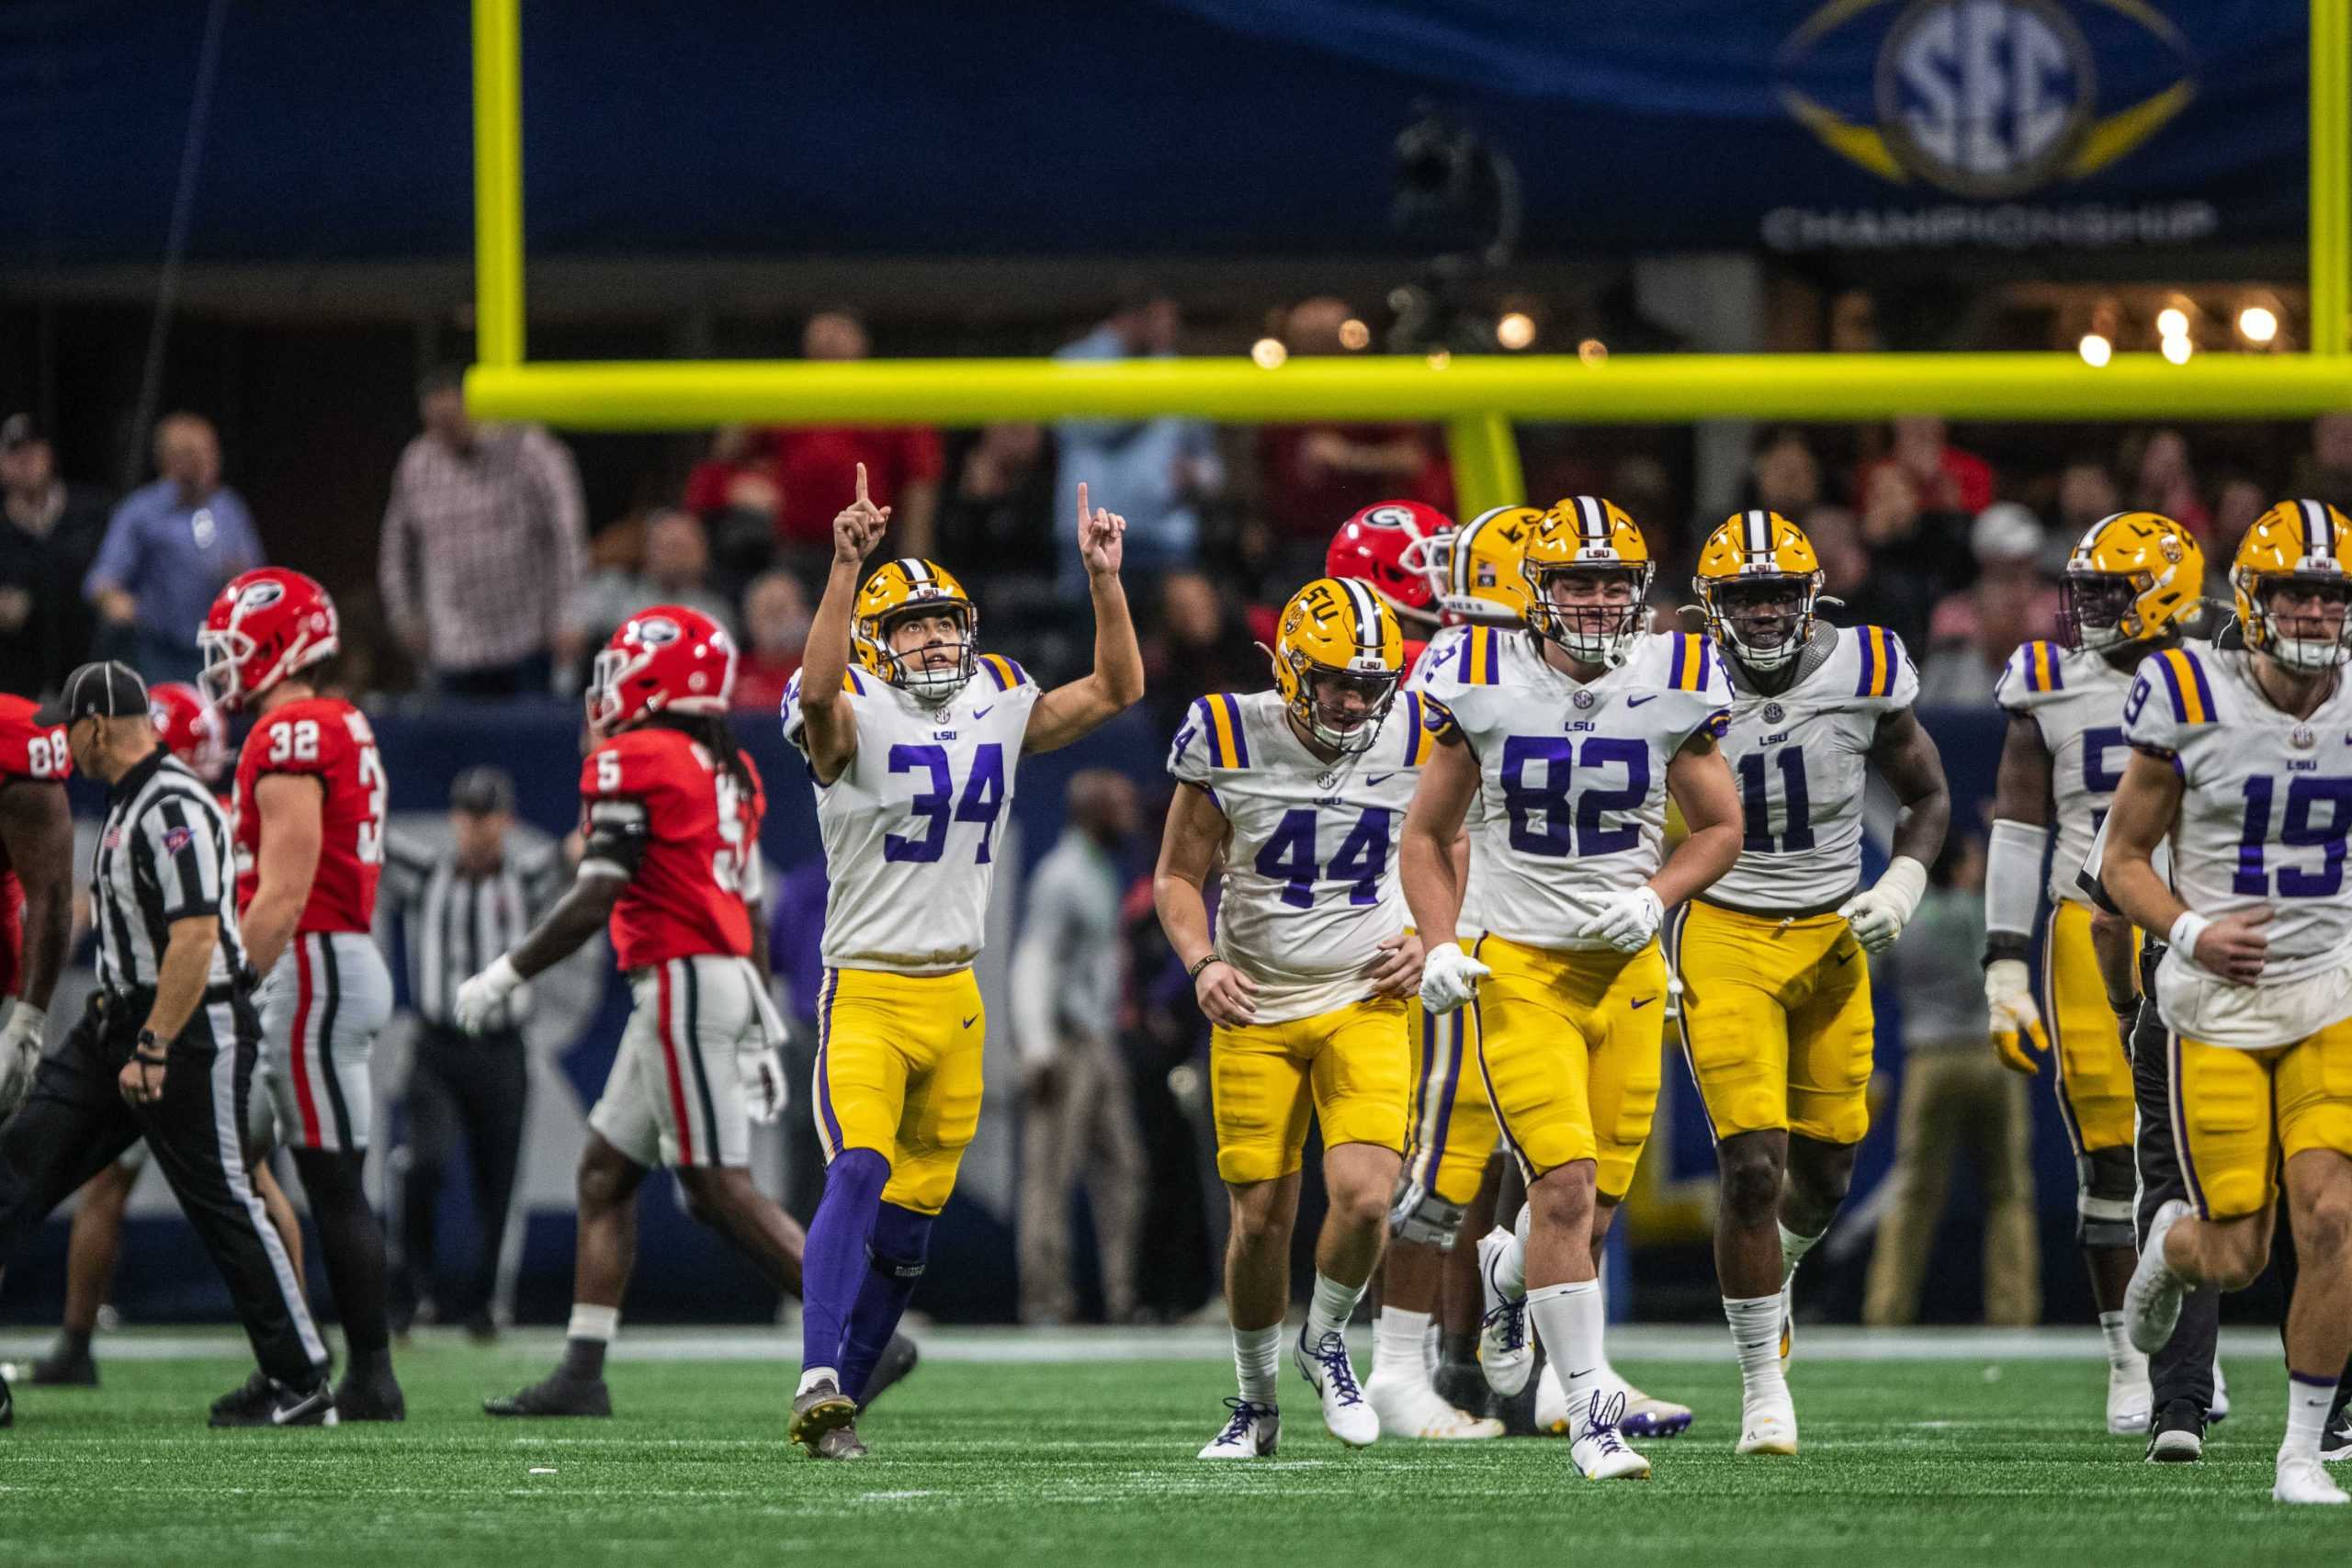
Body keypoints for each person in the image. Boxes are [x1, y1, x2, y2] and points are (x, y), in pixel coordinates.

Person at [781, 468, 1142, 1460]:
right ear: (872, 640)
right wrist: (846, 567)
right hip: (867, 989)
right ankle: (816, 1370)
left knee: (909, 1237)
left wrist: (1105, 582)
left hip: (959, 995)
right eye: (913, 628)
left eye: (945, 624)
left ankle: (838, 1408)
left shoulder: (995, 694)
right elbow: (815, 691)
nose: (936, 641)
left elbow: (1117, 689)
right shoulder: (846, 702)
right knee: (856, 1167)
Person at [460, 606, 887, 1422]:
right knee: (603, 1172)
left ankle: (863, 1329)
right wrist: (760, 1009)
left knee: (713, 1185)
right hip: (711, 977)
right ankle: (582, 1369)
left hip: (684, 980)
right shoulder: (726, 767)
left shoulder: (640, 757)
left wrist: (508, 971)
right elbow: (750, 909)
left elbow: (598, 890)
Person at [1404, 498, 1746, 1482]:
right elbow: (1425, 836)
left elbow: (1719, 827)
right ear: (1537, 591)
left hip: (1630, 972)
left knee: (1587, 1217)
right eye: (1574, 583)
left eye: (1610, 583)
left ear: (1637, 591)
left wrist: (1656, 895)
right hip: (1521, 968)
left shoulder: (1675, 675)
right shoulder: (1477, 679)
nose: (1595, 603)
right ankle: (1590, 1411)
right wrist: (1437, 945)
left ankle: (1505, 1278)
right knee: (1561, 1189)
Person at [1678, 509, 1950, 1453]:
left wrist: (1905, 879)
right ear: (1709, 605)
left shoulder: (1866, 666)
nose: (1759, 615)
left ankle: (1775, 1277)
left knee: (1827, 1169)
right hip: (1723, 932)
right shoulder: (1668, 676)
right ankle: (1763, 1389)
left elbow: (1926, 794)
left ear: (1810, 597)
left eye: (1775, 595)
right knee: (1753, 1166)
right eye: (1742, 597)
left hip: (1832, 933)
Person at [0, 662, 330, 1430]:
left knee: (224, 1200)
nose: (65, 749)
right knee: (15, 1167)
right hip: (114, 1025)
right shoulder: (134, 799)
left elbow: (195, 936)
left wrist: (153, 1043)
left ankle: (302, 1378)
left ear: (95, 726)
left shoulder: (169, 803)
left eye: (71, 731)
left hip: (183, 1027)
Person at [2105, 498, 2352, 1505]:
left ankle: (2301, 1450)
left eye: (2331, 594)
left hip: (2329, 989)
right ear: (2250, 600)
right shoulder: (2186, 693)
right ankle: (2165, 1251)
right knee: (2238, 1251)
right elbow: (2117, 859)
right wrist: (2190, 928)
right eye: (2294, 590)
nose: (2314, 612)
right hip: (2212, 1004)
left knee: (2332, 1215)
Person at [1155, 579, 1430, 1456]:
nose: (1354, 700)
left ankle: (1326, 1337)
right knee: (1261, 1221)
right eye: (1335, 681)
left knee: (1364, 1199)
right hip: (1257, 1003)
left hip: (1368, 993)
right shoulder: (1229, 731)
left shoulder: (1419, 728)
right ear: (1288, 669)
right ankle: (1254, 1401)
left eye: (1369, 682)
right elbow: (1174, 876)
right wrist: (1201, 963)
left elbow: (1449, 845)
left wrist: (1432, 933)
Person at [1981, 511, 2206, 1436]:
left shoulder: (2222, 676)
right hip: (2090, 922)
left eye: (2114, 589)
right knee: (2113, 1151)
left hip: (2204, 920)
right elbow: (2019, 824)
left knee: (2209, 1150)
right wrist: (2001, 958)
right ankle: (2130, 1356)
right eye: (2089, 589)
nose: (2092, 608)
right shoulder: (2047, 681)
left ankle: (2191, 1346)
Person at [1334, 502, 1525, 1441]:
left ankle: (1473, 1352)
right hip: (1430, 938)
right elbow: (1420, 832)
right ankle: (1409, 1358)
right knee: (1438, 1167)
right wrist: (1429, 926)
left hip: (1480, 930)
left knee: (1486, 1165)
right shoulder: (1427, 679)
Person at [198, 569, 402, 1422]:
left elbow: (283, 890)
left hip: (310, 961)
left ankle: (358, 1374)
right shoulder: (331, 721)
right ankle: (304, 1360)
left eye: (235, 648)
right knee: (252, 1164)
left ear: (280, 645)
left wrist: (230, 981)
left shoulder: (292, 729)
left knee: (327, 1178)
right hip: (323, 961)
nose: (222, 668)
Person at [379, 766, 566, 1338]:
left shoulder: (526, 877)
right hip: (437, 1048)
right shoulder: (423, 874)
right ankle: (407, 1294)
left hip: (503, 1050)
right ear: (454, 818)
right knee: (424, 1163)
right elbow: (367, 836)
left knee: (498, 1181)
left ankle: (485, 1305)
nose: (478, 827)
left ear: (505, 820)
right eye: (468, 814)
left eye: (487, 815)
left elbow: (580, 848)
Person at [1861, 834, 2041, 1328]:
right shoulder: (1984, 913)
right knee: (2008, 1191)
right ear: (1962, 865)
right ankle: (2014, 1311)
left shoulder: (1908, 918)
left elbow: (1876, 975)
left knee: (1913, 1192)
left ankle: (1887, 1309)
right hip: (1992, 1056)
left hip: (1930, 1059)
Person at [1011, 770, 1145, 1325]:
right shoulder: (1062, 875)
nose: (1131, 819)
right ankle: (1046, 1303)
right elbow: (1034, 959)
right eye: (1121, 807)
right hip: (1065, 1041)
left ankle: (1119, 1298)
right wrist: (1037, 1047)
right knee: (1049, 1178)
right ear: (1094, 811)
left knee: (1124, 1172)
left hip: (1098, 1039)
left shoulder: (1097, 869)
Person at [379, 365, 589, 698]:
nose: (446, 434)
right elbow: (396, 548)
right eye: (436, 425)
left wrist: (571, 615)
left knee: (525, 744)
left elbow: (568, 537)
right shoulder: (417, 462)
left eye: (453, 420)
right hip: (453, 643)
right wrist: (404, 614)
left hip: (529, 637)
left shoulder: (531, 450)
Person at [1054, 283, 1220, 588]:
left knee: (1164, 633)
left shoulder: (1181, 374)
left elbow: (1212, 470)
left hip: (1165, 535)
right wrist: (1152, 392)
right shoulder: (1073, 364)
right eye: (1160, 320)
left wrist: (1195, 474)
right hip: (1090, 533)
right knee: (1092, 632)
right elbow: (1096, 429)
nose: (1169, 330)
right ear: (1132, 318)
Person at [82, 414, 262, 686]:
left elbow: (257, 576)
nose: (204, 462)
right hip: (160, 655)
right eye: (190, 454)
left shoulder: (229, 508)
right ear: (167, 460)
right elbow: (102, 581)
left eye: (209, 450)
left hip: (220, 654)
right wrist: (115, 600)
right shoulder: (140, 511)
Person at [767, 312, 944, 565]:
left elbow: (921, 478)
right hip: (797, 546)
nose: (829, 339)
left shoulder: (891, 396)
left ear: (862, 340)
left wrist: (913, 552)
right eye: (822, 329)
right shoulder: (782, 393)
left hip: (871, 544)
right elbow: (732, 454)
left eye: (839, 328)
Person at [0, 414, 110, 699]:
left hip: (88, 676)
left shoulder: (92, 512)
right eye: (16, 453)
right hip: (18, 682)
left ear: (49, 455)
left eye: (35, 450)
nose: (27, 461)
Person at [1916, 504, 2059, 708]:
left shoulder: (2056, 606)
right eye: (2004, 576)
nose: (2014, 596)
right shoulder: (1952, 614)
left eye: (2024, 561)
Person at [571, 508, 739, 658]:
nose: (677, 557)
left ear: (703, 553)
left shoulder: (717, 612)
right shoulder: (615, 587)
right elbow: (570, 633)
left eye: (684, 548)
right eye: (668, 547)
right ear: (647, 550)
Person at [731, 571, 810, 715]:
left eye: (781, 609)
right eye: (766, 611)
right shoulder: (733, 675)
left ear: (804, 613)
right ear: (748, 620)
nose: (775, 620)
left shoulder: (819, 672)